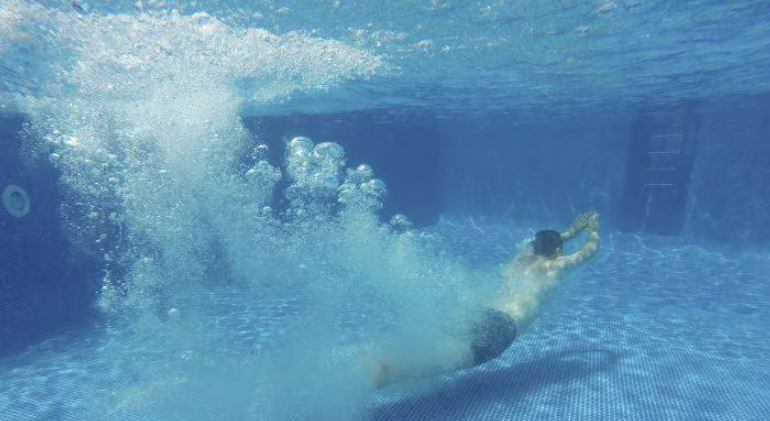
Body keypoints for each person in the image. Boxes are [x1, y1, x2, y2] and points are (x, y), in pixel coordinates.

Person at [373, 211, 601, 386]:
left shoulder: (521, 260)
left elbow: (538, 244)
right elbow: (591, 249)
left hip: (480, 311)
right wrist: (592, 228)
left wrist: (570, 232)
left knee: (427, 344)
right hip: (503, 326)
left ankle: (368, 367)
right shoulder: (556, 266)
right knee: (430, 364)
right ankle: (374, 379)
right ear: (558, 251)